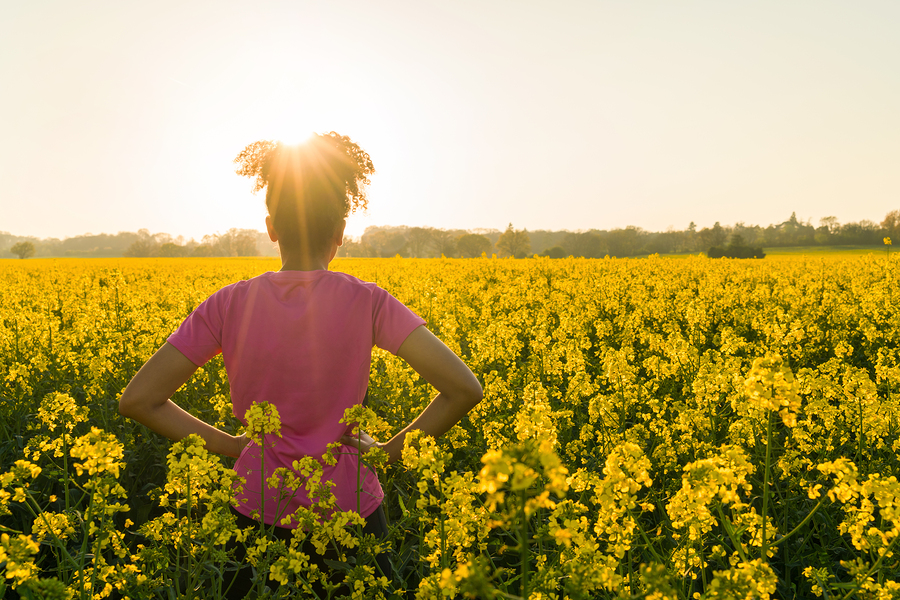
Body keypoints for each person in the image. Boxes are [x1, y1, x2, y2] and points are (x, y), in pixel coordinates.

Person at [118, 133, 484, 597]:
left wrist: (234, 447)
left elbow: (139, 400)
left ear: (271, 226)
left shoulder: (227, 305)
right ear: (341, 232)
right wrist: (390, 453)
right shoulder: (368, 301)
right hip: (352, 512)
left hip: (256, 512)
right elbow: (464, 389)